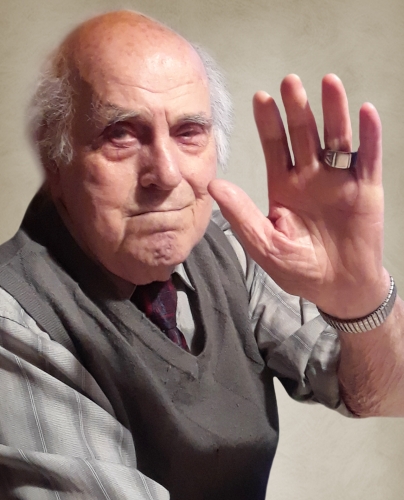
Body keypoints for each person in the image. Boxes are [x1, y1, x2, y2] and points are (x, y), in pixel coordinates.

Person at [0, 9, 403, 500]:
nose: (167, 173)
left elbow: (385, 393)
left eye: (189, 131)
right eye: (121, 133)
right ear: (56, 160)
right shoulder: (14, 319)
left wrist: (361, 301)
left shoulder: (230, 247)